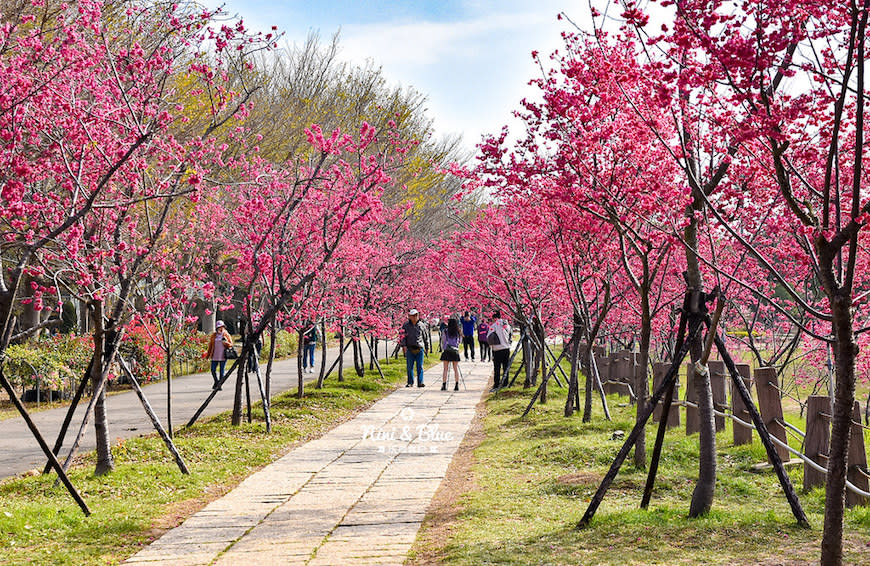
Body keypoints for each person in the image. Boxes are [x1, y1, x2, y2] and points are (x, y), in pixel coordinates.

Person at [400, 309, 426, 387]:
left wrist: (427, 347)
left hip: (419, 347)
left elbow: (425, 336)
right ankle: (410, 382)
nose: (415, 317)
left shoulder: (421, 325)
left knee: (420, 366)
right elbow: (402, 336)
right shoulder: (406, 325)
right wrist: (403, 346)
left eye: (416, 315)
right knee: (409, 366)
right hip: (409, 348)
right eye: (413, 315)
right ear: (409, 316)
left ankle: (420, 382)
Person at [204, 320, 233, 390]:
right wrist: (207, 355)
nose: (220, 328)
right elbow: (210, 346)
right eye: (219, 327)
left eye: (222, 327)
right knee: (213, 370)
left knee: (221, 371)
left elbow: (231, 344)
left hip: (223, 355)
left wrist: (226, 343)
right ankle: (216, 382)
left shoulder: (226, 334)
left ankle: (220, 385)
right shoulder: (214, 335)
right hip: (215, 355)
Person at [487, 311, 511, 390]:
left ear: (495, 318)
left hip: (497, 349)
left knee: (497, 368)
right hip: (506, 348)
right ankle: (505, 383)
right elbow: (510, 334)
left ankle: (496, 384)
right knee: (506, 367)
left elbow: (488, 337)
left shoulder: (493, 326)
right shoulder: (507, 325)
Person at [440, 318, 462, 391]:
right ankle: (456, 385)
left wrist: (444, 347)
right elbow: (459, 341)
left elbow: (443, 340)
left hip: (447, 351)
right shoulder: (458, 332)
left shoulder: (445, 331)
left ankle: (444, 385)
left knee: (445, 369)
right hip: (455, 351)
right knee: (455, 369)